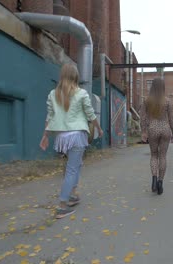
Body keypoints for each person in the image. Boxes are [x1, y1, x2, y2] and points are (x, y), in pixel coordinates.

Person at [40, 63, 103, 219]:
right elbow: (90, 114)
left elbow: (49, 117)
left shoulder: (53, 94)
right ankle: (62, 206)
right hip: (76, 135)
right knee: (72, 169)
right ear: (76, 76)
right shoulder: (81, 93)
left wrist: (45, 136)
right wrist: (99, 129)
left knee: (76, 164)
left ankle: (73, 195)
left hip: (62, 137)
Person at [140, 78, 173, 195]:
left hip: (153, 129)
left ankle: (154, 179)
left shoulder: (146, 101)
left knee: (154, 155)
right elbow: (171, 119)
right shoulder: (167, 101)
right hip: (165, 129)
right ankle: (160, 182)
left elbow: (143, 118)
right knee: (163, 156)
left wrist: (143, 132)